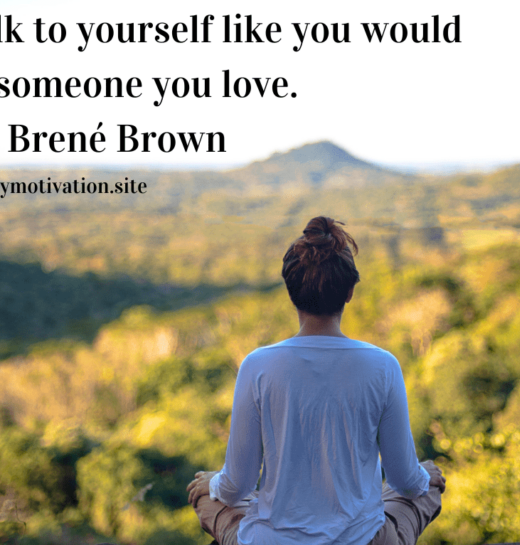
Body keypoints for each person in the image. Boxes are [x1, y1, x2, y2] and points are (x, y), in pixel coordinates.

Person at [187, 216, 445, 545]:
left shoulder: (258, 365)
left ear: (290, 290)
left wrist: (212, 483)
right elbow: (404, 481)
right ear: (350, 291)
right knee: (426, 482)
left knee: (208, 494)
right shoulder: (383, 365)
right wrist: (424, 476)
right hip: (364, 539)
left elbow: (237, 486)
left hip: (270, 540)